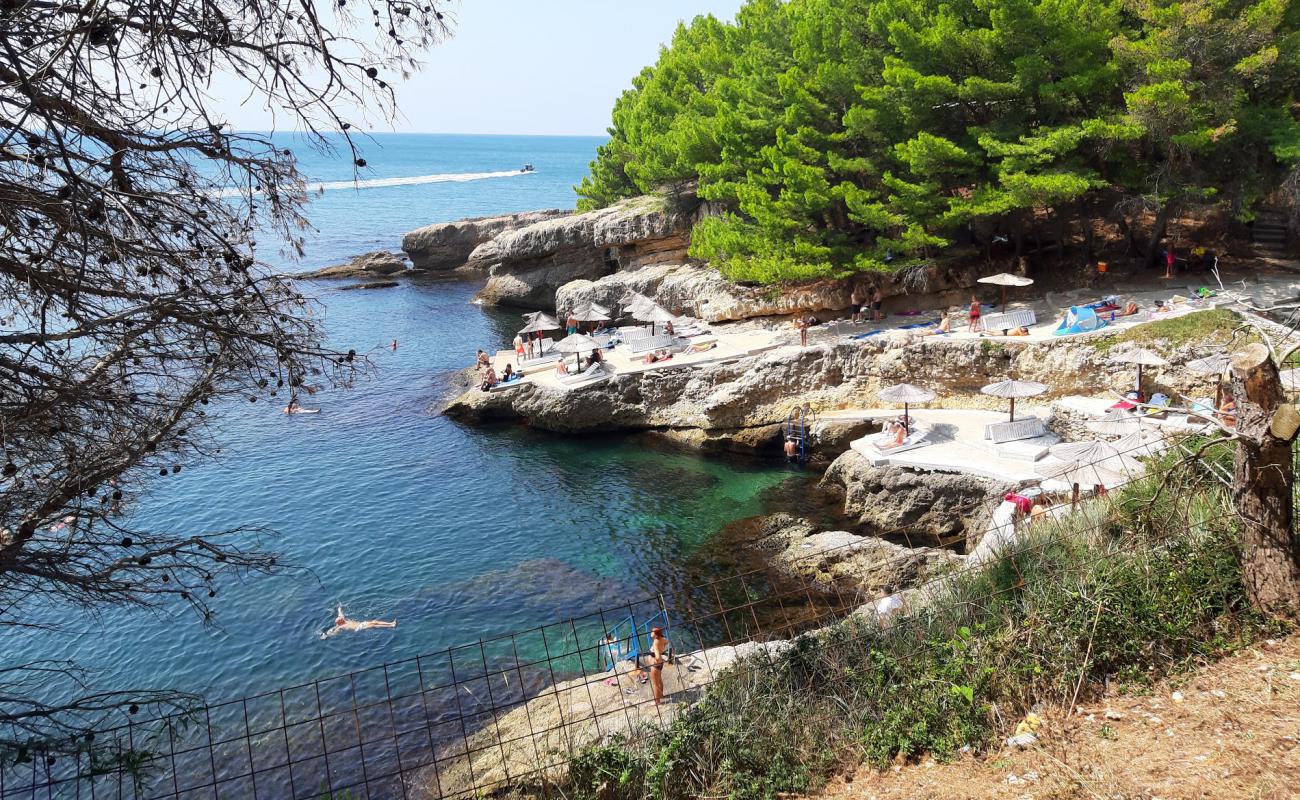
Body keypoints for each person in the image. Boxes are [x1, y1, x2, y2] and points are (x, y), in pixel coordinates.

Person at [327, 605, 396, 636]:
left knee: (374, 621)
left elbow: (340, 613)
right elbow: (335, 632)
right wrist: (327, 635)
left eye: (340, 618)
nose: (341, 618)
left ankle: (391, 623)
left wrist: (339, 607)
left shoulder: (343, 619)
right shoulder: (341, 626)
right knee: (373, 625)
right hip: (359, 628)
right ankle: (391, 625)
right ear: (340, 622)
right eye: (340, 619)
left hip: (361, 623)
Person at [647, 626, 671, 706]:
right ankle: (661, 695)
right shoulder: (663, 639)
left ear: (655, 634)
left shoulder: (655, 643)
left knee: (655, 684)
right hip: (661, 664)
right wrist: (662, 651)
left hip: (656, 665)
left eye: (652, 632)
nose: (651, 633)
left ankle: (657, 701)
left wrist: (651, 661)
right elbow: (667, 642)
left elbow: (657, 657)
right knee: (659, 679)